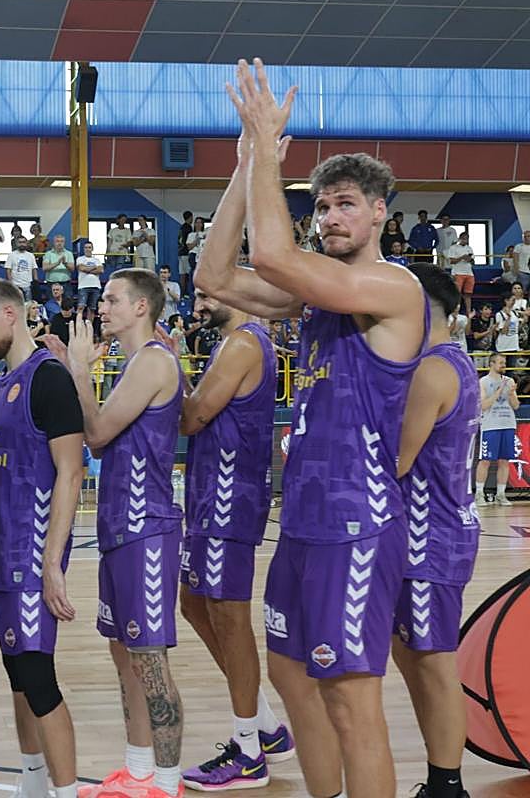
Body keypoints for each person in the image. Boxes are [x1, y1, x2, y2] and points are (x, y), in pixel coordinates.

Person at [197, 59, 427, 798]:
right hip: (301, 525)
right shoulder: (318, 303)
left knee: (352, 704)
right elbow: (216, 277)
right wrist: (243, 165)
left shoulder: (392, 289)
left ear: (382, 212)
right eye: (321, 206)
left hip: (357, 528)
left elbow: (269, 253)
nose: (330, 218)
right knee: (294, 683)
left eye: (346, 205)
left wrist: (269, 150)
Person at [47, 270, 186, 798]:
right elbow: (102, 437)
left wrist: (79, 368)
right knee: (125, 656)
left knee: (149, 662)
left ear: (141, 306)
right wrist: (73, 368)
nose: (101, 307)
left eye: (111, 299)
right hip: (118, 527)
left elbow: (98, 434)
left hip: (146, 529)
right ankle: (138, 770)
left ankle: (166, 784)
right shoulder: (133, 362)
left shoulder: (152, 359)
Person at [0, 278, 85, 798]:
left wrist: (52, 564)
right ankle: (33, 781)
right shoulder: (3, 381)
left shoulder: (48, 379)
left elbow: (71, 473)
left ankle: (67, 790)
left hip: (31, 556)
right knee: (16, 672)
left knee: (37, 678)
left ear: (10, 314)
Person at [177, 287, 293, 791]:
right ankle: (266, 727)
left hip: (229, 499)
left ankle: (248, 751)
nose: (198, 304)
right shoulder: (232, 344)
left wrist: (162, 368)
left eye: (205, 295)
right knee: (193, 604)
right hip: (210, 497)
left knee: (228, 616)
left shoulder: (244, 343)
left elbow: (189, 417)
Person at [393, 264, 480, 798]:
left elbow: (397, 462)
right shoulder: (452, 362)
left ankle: (448, 786)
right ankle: (438, 776)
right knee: (414, 659)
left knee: (434, 664)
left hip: (432, 537)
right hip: (431, 533)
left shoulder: (431, 370)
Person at [475, 353, 519, 507]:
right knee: (485, 460)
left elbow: (516, 405)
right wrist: (499, 391)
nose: (503, 365)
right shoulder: (483, 381)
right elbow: (484, 405)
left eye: (504, 362)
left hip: (508, 423)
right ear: (491, 364)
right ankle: (479, 494)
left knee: (504, 461)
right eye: (500, 362)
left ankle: (501, 494)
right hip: (491, 425)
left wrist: (512, 393)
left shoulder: (510, 381)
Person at [445, 232, 474, 315]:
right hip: (457, 273)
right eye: (464, 238)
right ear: (460, 238)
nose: (465, 240)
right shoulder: (453, 248)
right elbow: (452, 261)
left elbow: (473, 261)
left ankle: (468, 312)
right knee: (457, 293)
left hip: (469, 273)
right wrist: (462, 257)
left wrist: (469, 259)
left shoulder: (470, 248)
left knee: (468, 293)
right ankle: (455, 310)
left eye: (467, 238)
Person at [75, 241, 103, 315]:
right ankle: (78, 324)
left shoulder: (97, 260)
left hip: (95, 286)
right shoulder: (80, 259)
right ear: (83, 249)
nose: (87, 249)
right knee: (81, 307)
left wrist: (87, 270)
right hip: (83, 286)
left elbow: (100, 270)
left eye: (89, 247)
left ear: (92, 249)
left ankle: (89, 325)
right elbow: (82, 268)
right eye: (86, 247)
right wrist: (94, 267)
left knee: (92, 309)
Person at [7, 235, 38, 301]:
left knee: (28, 306)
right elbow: (8, 270)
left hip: (28, 285)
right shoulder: (11, 255)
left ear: (26, 243)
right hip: (16, 285)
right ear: (16, 243)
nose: (22, 244)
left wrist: (35, 282)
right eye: (20, 242)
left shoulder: (31, 255)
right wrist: (11, 283)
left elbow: (34, 269)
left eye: (23, 242)